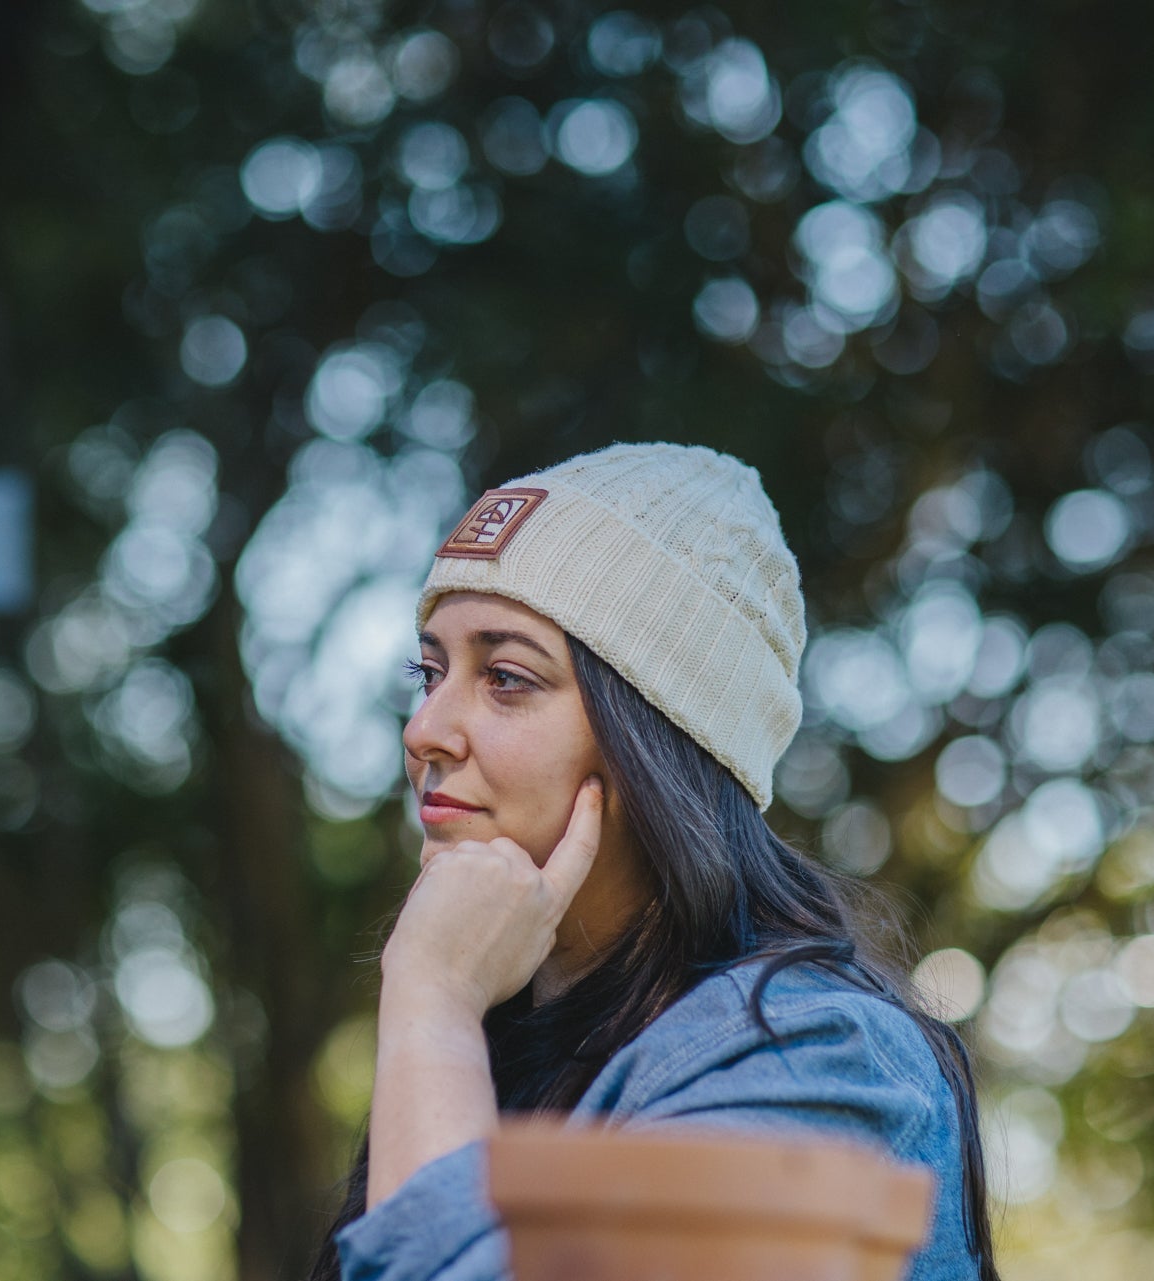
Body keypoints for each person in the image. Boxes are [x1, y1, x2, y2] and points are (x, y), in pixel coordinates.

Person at [307, 442, 998, 1281]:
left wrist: (433, 1002)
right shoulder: (518, 1046)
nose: (424, 730)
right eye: (430, 671)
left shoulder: (817, 1054)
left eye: (507, 677)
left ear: (656, 738)